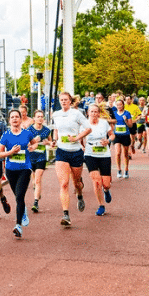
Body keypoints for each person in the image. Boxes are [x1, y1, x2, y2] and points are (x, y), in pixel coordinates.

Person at [0, 109, 39, 238]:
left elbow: (34, 143)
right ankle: (23, 211)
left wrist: (33, 147)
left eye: (17, 117)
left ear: (21, 119)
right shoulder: (5, 135)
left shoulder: (27, 134)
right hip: (11, 170)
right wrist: (10, 153)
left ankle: (18, 226)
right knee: (18, 197)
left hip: (24, 169)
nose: (15, 119)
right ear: (9, 120)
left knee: (20, 196)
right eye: (12, 117)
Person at [51, 92, 90, 226]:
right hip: (62, 152)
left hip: (76, 152)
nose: (63, 102)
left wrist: (77, 138)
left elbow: (88, 128)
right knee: (64, 184)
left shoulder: (77, 114)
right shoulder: (55, 114)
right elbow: (56, 130)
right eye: (61, 100)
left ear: (70, 101)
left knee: (77, 182)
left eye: (66, 100)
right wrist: (55, 140)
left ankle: (79, 195)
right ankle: (66, 215)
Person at [82, 104, 115, 215]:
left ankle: (106, 190)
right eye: (92, 111)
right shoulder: (84, 124)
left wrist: (108, 141)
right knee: (96, 181)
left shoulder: (104, 123)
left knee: (106, 184)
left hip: (104, 154)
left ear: (99, 113)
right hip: (90, 154)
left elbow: (112, 135)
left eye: (96, 111)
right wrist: (81, 146)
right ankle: (101, 205)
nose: (94, 114)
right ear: (88, 113)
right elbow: (80, 137)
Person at [27, 110, 53, 212]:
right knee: (33, 181)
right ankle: (36, 191)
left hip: (41, 157)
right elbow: (25, 143)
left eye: (42, 116)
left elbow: (51, 142)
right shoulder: (29, 130)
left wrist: (48, 143)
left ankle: (36, 202)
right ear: (34, 119)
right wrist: (34, 142)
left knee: (38, 179)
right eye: (38, 116)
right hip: (30, 157)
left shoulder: (46, 130)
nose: (40, 118)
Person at [111, 99, 134, 179]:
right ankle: (119, 170)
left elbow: (130, 125)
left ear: (123, 105)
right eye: (117, 105)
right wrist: (113, 129)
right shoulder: (114, 114)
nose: (119, 106)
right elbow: (112, 123)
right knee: (117, 153)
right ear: (116, 106)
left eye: (120, 105)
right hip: (117, 135)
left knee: (125, 153)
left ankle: (126, 170)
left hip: (125, 135)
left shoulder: (127, 113)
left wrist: (126, 121)